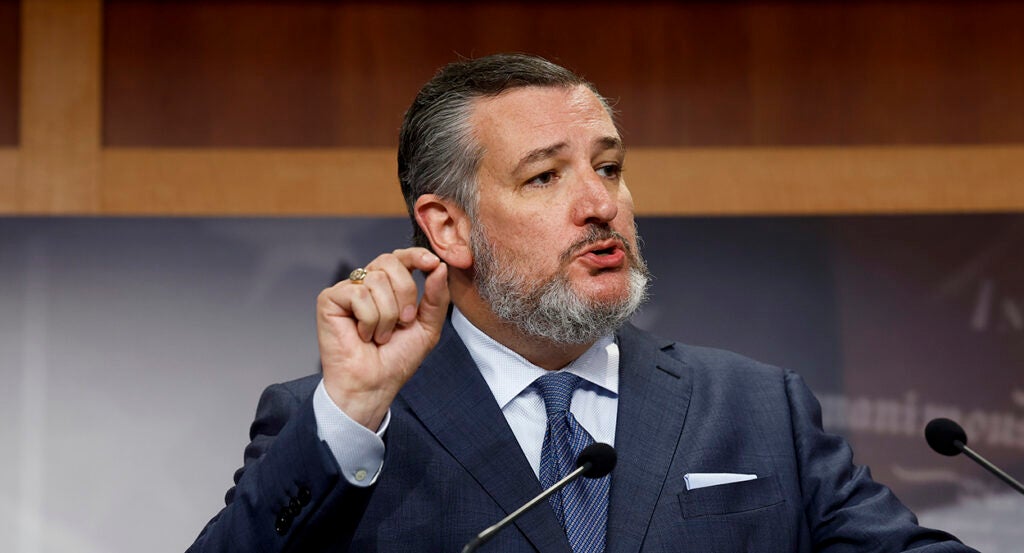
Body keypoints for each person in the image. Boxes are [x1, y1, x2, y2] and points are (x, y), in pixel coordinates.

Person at [188, 53, 975, 552]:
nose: (599, 203)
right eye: (545, 176)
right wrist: (350, 413)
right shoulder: (339, 423)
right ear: (448, 227)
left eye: (609, 166)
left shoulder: (758, 408)